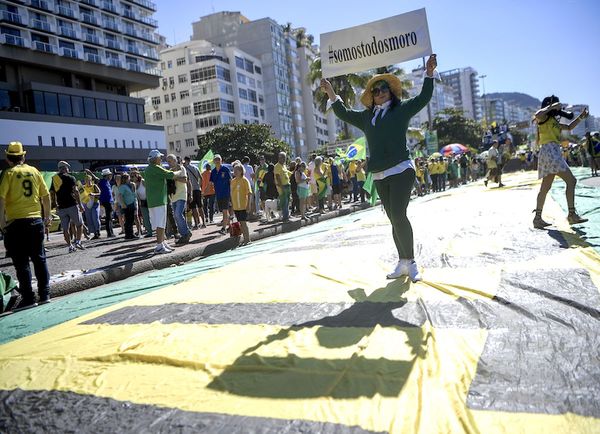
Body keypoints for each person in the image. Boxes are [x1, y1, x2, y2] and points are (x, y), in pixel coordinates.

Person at [321, 53, 438, 282]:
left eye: (384, 89)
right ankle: (402, 262)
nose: (380, 92)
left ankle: (411, 262)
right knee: (393, 219)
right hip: (379, 174)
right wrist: (331, 93)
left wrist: (429, 73)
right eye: (375, 90)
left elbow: (424, 97)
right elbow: (343, 112)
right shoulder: (367, 118)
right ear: (371, 97)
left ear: (390, 92)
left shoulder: (401, 109)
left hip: (402, 169)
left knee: (398, 214)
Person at [0, 142, 51, 308]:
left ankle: (29, 297)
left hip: (15, 223)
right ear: (23, 156)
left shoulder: (7, 174)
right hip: (35, 221)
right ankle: (45, 294)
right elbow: (46, 196)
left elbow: (0, 199)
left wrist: (1, 223)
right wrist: (47, 216)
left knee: (21, 262)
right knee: (39, 259)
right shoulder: (34, 171)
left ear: (8, 159)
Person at [532, 96, 589, 228]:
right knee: (571, 181)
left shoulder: (552, 120)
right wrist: (552, 106)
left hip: (548, 153)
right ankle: (571, 214)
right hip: (551, 152)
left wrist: (580, 117)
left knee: (545, 188)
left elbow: (569, 127)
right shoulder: (543, 117)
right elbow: (537, 114)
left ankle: (537, 218)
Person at [145, 149, 186, 254]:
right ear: (156, 158)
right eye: (160, 157)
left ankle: (162, 243)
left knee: (159, 223)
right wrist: (180, 171)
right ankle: (159, 246)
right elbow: (170, 175)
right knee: (160, 224)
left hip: (153, 200)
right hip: (159, 200)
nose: (161, 159)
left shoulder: (149, 169)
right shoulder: (155, 168)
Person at [50, 161, 85, 253]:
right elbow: (76, 191)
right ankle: (78, 242)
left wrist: (55, 205)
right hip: (72, 205)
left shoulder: (54, 179)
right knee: (79, 224)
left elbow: (52, 193)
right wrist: (80, 204)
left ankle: (70, 246)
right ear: (65, 168)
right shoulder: (70, 178)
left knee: (65, 228)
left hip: (61, 207)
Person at [167, 154, 191, 245]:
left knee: (178, 214)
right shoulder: (169, 171)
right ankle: (184, 234)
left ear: (174, 160)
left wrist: (175, 177)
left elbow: (185, 180)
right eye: (167, 161)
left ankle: (186, 233)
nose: (168, 163)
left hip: (181, 195)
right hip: (173, 197)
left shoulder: (182, 168)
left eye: (170, 161)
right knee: (177, 216)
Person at [230, 164, 252, 245]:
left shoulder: (245, 180)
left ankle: (247, 239)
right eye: (234, 170)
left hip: (243, 205)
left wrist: (248, 205)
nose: (234, 172)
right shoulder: (233, 181)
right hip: (236, 206)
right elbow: (232, 194)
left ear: (241, 171)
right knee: (240, 223)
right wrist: (232, 206)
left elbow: (249, 193)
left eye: (236, 170)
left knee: (243, 222)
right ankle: (245, 239)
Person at [210, 154, 232, 235]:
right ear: (213, 161)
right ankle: (230, 226)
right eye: (215, 160)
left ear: (221, 160)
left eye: (218, 159)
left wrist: (231, 193)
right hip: (218, 194)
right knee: (223, 211)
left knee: (225, 211)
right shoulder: (213, 172)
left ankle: (223, 228)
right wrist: (204, 192)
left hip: (226, 193)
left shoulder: (225, 169)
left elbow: (230, 181)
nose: (217, 161)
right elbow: (210, 183)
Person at [183, 156, 206, 229]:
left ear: (186, 161)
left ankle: (196, 224)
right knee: (200, 206)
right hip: (197, 189)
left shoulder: (185, 169)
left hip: (191, 190)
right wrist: (199, 186)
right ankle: (204, 223)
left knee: (193, 207)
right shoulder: (195, 168)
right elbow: (201, 179)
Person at [94, 168, 115, 238]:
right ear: (107, 176)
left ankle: (110, 232)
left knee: (110, 217)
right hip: (106, 201)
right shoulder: (102, 181)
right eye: (110, 175)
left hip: (109, 201)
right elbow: (96, 179)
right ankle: (109, 233)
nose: (111, 176)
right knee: (108, 218)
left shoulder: (107, 182)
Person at [132, 170, 152, 238]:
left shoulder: (142, 181)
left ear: (137, 176)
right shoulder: (134, 184)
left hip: (149, 200)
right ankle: (149, 232)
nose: (132, 178)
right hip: (142, 202)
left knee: (152, 216)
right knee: (145, 218)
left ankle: (155, 230)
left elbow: (149, 189)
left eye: (133, 176)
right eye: (131, 176)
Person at [118, 172, 137, 239]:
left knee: (131, 220)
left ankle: (130, 234)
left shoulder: (128, 186)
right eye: (128, 178)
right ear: (126, 179)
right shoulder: (122, 187)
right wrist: (123, 204)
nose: (129, 179)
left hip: (131, 204)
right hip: (127, 205)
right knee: (128, 220)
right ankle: (128, 234)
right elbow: (120, 196)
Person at [81, 173, 101, 239]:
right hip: (87, 204)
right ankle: (95, 233)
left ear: (91, 180)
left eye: (89, 180)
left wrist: (93, 194)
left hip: (95, 203)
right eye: (86, 180)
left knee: (95, 217)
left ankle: (97, 231)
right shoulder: (83, 187)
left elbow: (99, 193)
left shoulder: (94, 186)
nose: (88, 181)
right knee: (89, 219)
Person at [274, 151, 291, 222]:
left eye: (285, 157)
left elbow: (287, 174)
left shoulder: (284, 165)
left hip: (287, 185)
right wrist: (282, 187)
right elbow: (278, 177)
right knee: (284, 202)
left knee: (288, 201)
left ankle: (287, 216)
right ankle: (285, 217)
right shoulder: (277, 166)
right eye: (282, 157)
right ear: (279, 158)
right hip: (282, 186)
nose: (284, 159)